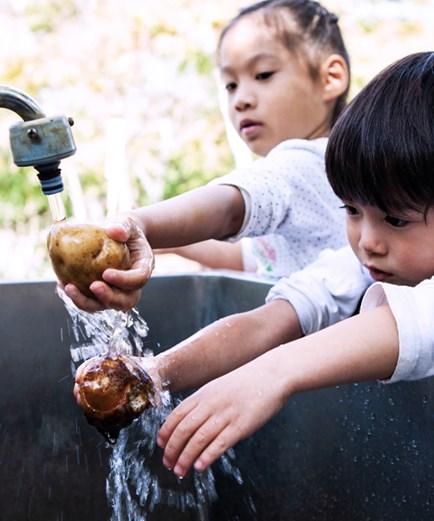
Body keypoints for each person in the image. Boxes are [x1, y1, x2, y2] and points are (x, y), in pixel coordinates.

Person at [141, 51, 434, 478]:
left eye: (395, 219)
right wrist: (152, 375)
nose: (368, 241)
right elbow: (269, 322)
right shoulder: (359, 266)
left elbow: (418, 321)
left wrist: (274, 374)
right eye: (352, 210)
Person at [63, 0, 351, 311]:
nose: (241, 100)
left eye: (263, 74)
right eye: (230, 84)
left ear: (329, 78)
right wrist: (166, 242)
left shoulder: (308, 162)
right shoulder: (335, 170)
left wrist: (142, 223)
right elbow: (252, 259)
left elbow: (228, 207)